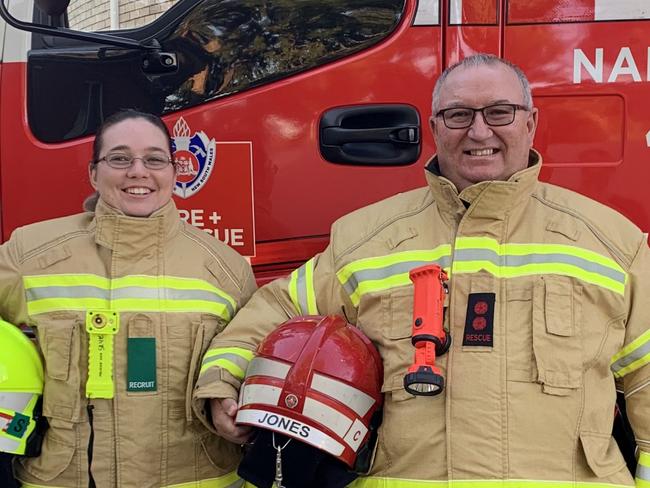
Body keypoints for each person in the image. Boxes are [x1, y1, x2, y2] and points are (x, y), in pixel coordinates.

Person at [193, 54, 650, 486]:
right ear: (434, 128)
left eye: (500, 113)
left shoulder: (611, 241)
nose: (478, 131)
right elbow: (276, 311)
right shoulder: (365, 237)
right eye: (458, 115)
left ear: (530, 123)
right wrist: (222, 383)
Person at [0, 109, 257, 487]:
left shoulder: (227, 268)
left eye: (154, 159)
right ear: (93, 173)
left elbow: (251, 359)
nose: (138, 171)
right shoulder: (30, 254)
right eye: (119, 158)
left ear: (173, 171)